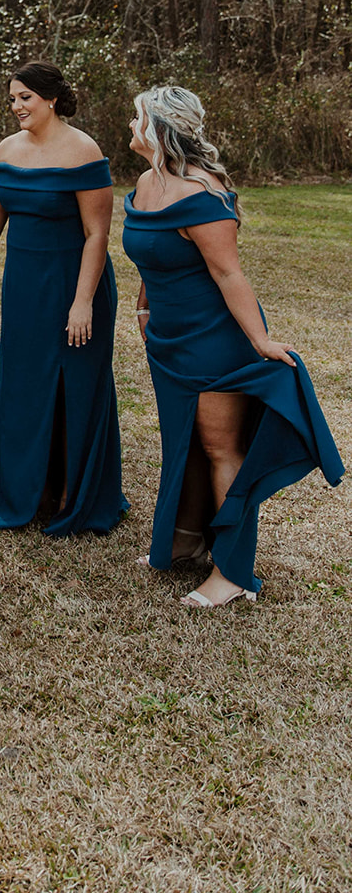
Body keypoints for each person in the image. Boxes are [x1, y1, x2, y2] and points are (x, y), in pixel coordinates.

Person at [123, 85, 343, 607]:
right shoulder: (146, 180)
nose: (130, 127)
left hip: (213, 339)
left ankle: (232, 571)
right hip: (168, 338)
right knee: (184, 442)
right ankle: (185, 540)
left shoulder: (203, 193)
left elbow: (228, 273)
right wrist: (142, 307)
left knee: (221, 447)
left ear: (158, 128)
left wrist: (260, 340)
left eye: (137, 119)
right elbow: (150, 254)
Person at [0, 61, 127, 535]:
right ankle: (23, 491)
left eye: (25, 98)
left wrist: (82, 302)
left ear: (51, 99)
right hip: (25, 286)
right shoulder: (7, 150)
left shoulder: (82, 151)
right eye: (12, 98)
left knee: (76, 383)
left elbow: (97, 234)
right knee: (23, 384)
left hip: (77, 283)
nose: (16, 107)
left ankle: (77, 493)